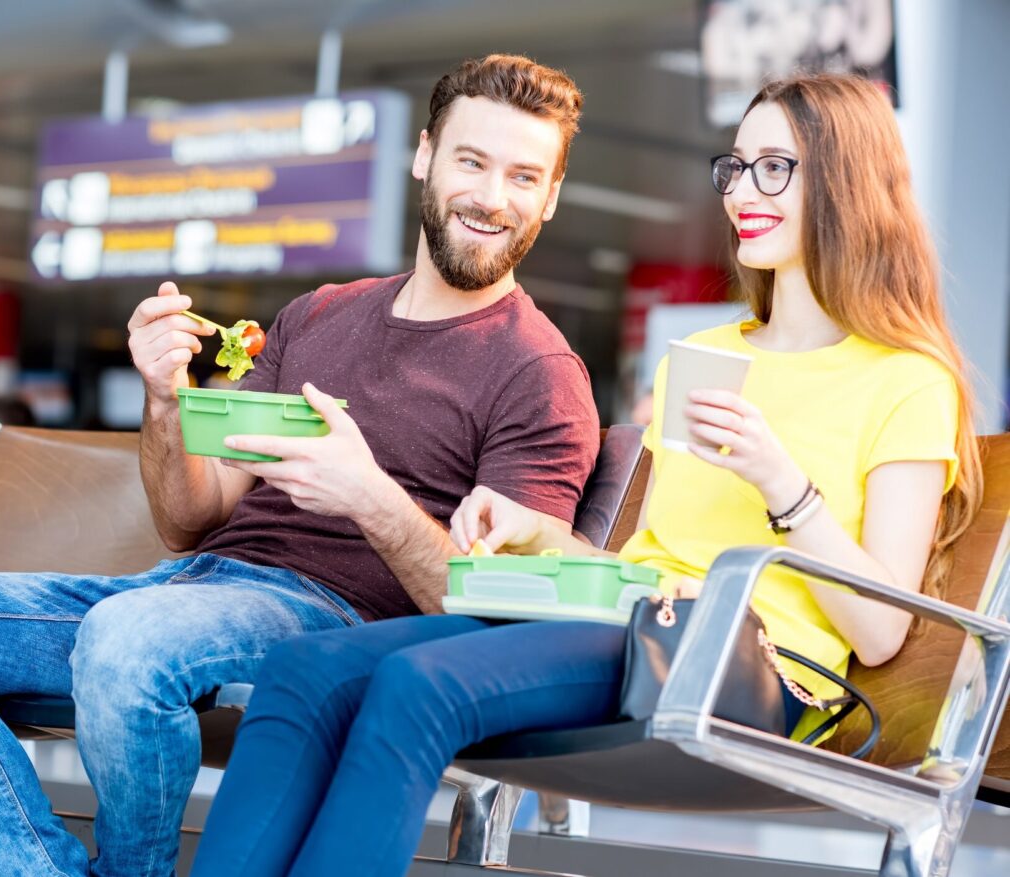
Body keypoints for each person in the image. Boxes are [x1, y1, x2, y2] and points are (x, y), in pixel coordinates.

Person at [190, 72, 982, 876]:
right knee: (305, 670)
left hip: (750, 666)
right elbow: (646, 567)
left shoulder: (908, 379)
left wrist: (784, 483)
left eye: (775, 167)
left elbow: (880, 630)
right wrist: (541, 537)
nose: (744, 188)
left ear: (846, 182)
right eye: (736, 166)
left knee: (417, 686)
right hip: (632, 622)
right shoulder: (709, 359)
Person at [0, 53, 599, 876]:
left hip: (334, 625)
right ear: (424, 155)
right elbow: (187, 518)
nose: (493, 197)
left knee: (127, 641)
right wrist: (166, 399)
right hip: (189, 588)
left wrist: (370, 495)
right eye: (472, 161)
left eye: (525, 175)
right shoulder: (319, 314)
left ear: (552, 197)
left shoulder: (540, 374)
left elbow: (499, 618)